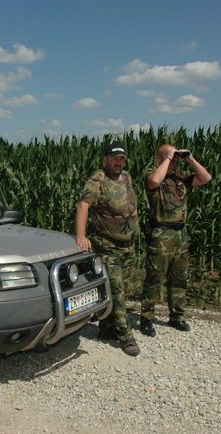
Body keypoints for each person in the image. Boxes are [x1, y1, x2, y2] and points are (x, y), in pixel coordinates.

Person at [75, 142, 141, 356]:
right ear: (105, 159)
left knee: (120, 289)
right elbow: (84, 205)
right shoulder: (98, 180)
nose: (118, 162)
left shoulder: (127, 177)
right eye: (114, 158)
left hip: (127, 247)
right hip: (108, 246)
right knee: (119, 291)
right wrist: (81, 235)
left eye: (121, 158)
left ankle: (106, 328)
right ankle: (126, 337)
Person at [139, 144, 212, 336]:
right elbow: (154, 180)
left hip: (180, 234)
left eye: (175, 155)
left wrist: (190, 159)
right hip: (161, 234)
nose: (174, 159)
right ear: (159, 158)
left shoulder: (182, 177)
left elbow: (206, 178)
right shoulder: (152, 175)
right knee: (155, 277)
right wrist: (168, 159)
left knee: (179, 277)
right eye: (168, 155)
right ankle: (146, 318)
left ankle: (177, 316)